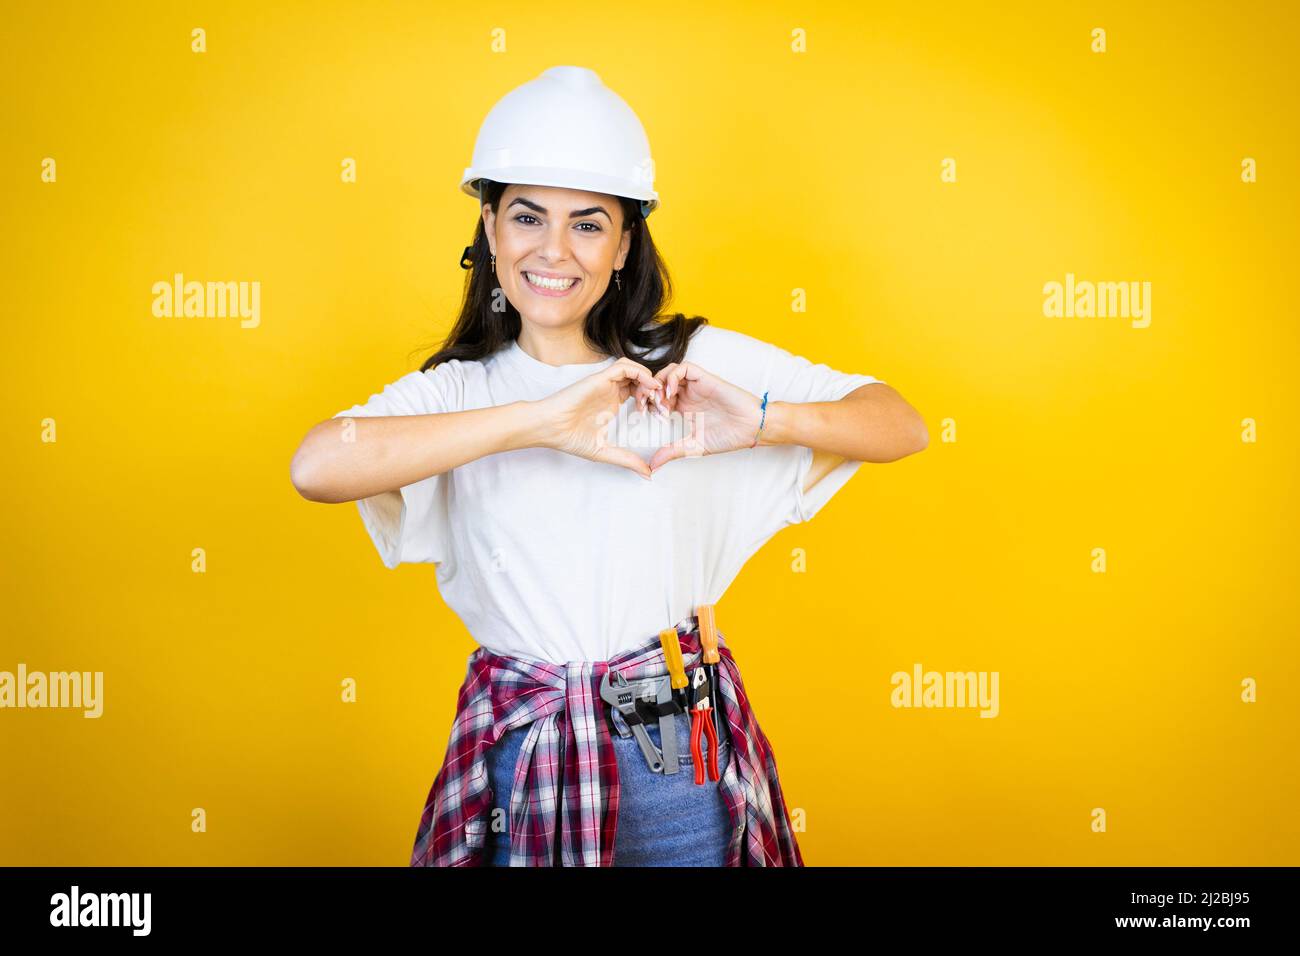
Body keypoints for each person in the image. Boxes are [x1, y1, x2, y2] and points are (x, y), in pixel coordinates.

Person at [290, 66, 928, 866]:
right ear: (489, 227)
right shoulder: (459, 393)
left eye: (588, 225)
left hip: (672, 740)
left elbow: (899, 423)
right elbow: (317, 465)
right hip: (521, 743)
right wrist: (538, 421)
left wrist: (763, 421)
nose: (553, 251)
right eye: (527, 217)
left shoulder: (689, 364)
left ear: (626, 241)